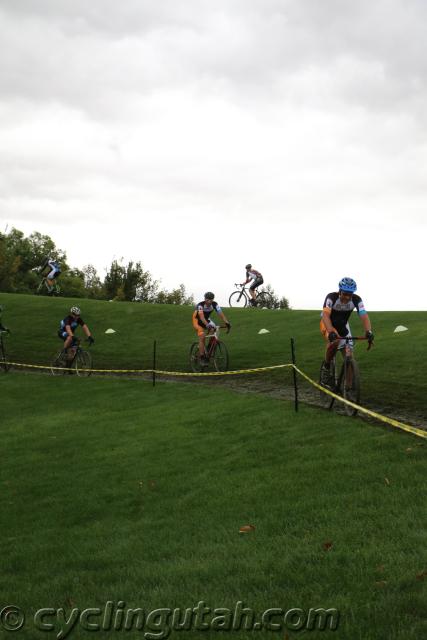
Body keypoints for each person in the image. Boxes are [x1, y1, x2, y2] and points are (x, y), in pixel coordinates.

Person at [320, 277, 374, 384]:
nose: (347, 297)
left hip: (343, 326)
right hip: (327, 323)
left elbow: (363, 315)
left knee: (349, 356)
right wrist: (330, 331)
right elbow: (325, 315)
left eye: (350, 294)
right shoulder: (331, 297)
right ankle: (326, 367)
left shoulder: (357, 299)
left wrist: (368, 331)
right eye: (345, 294)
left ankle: (348, 389)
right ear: (340, 291)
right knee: (335, 341)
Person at [192, 292, 231, 365]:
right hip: (197, 321)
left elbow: (221, 314)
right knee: (202, 336)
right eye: (208, 300)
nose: (209, 302)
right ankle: (202, 357)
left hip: (206, 319)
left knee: (215, 329)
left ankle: (208, 348)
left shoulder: (215, 304)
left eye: (211, 300)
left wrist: (227, 323)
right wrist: (207, 325)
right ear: (205, 299)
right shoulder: (200, 305)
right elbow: (201, 317)